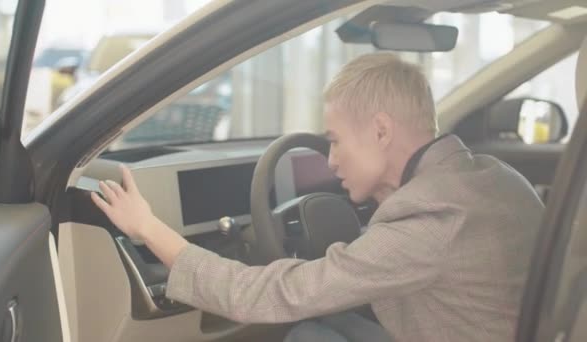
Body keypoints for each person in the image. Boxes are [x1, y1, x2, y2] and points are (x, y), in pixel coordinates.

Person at [91, 53, 544, 341]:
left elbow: (275, 293)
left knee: (307, 335)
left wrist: (148, 228)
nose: (330, 161)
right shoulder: (495, 178)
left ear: (381, 130)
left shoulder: (426, 221)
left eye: (336, 140)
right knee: (321, 328)